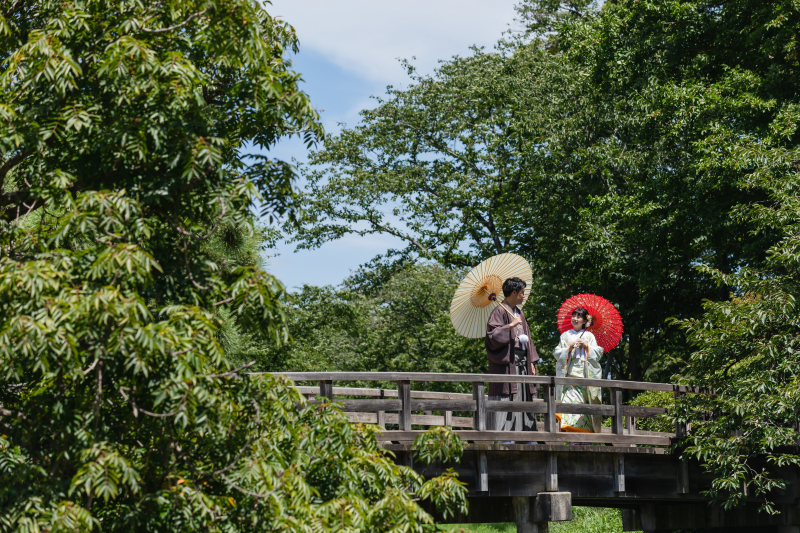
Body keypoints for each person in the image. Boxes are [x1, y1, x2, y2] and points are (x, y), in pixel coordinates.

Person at [485, 277, 540, 439]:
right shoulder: (499, 311)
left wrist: (531, 361)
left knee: (525, 395)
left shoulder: (519, 312)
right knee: (508, 394)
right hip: (508, 361)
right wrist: (510, 325)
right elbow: (492, 336)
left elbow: (527, 337)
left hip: (523, 359)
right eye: (522, 293)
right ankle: (506, 437)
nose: (524, 296)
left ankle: (527, 436)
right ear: (514, 293)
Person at [553, 307, 603, 434]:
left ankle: (583, 441)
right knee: (569, 408)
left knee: (583, 409)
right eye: (573, 316)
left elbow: (598, 353)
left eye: (579, 316)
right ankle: (571, 439)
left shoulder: (589, 336)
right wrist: (569, 348)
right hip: (569, 377)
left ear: (585, 321)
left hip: (585, 377)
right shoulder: (565, 335)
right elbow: (557, 353)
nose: (575, 319)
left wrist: (586, 346)